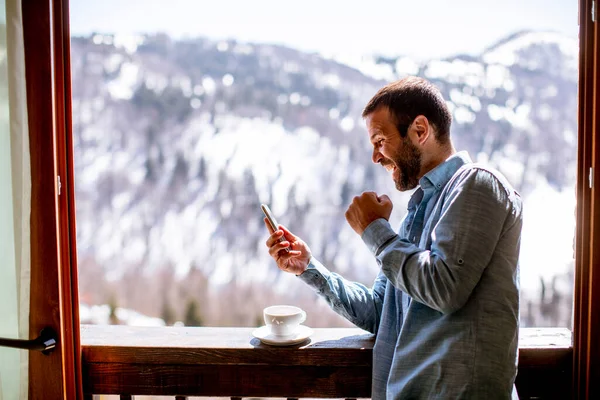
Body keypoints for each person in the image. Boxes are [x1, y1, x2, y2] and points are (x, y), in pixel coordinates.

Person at [264, 76, 522, 400]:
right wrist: (308, 267)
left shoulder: (477, 185)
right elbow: (379, 311)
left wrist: (375, 231)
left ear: (419, 130)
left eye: (379, 140)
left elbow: (445, 288)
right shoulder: (416, 212)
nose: (375, 156)